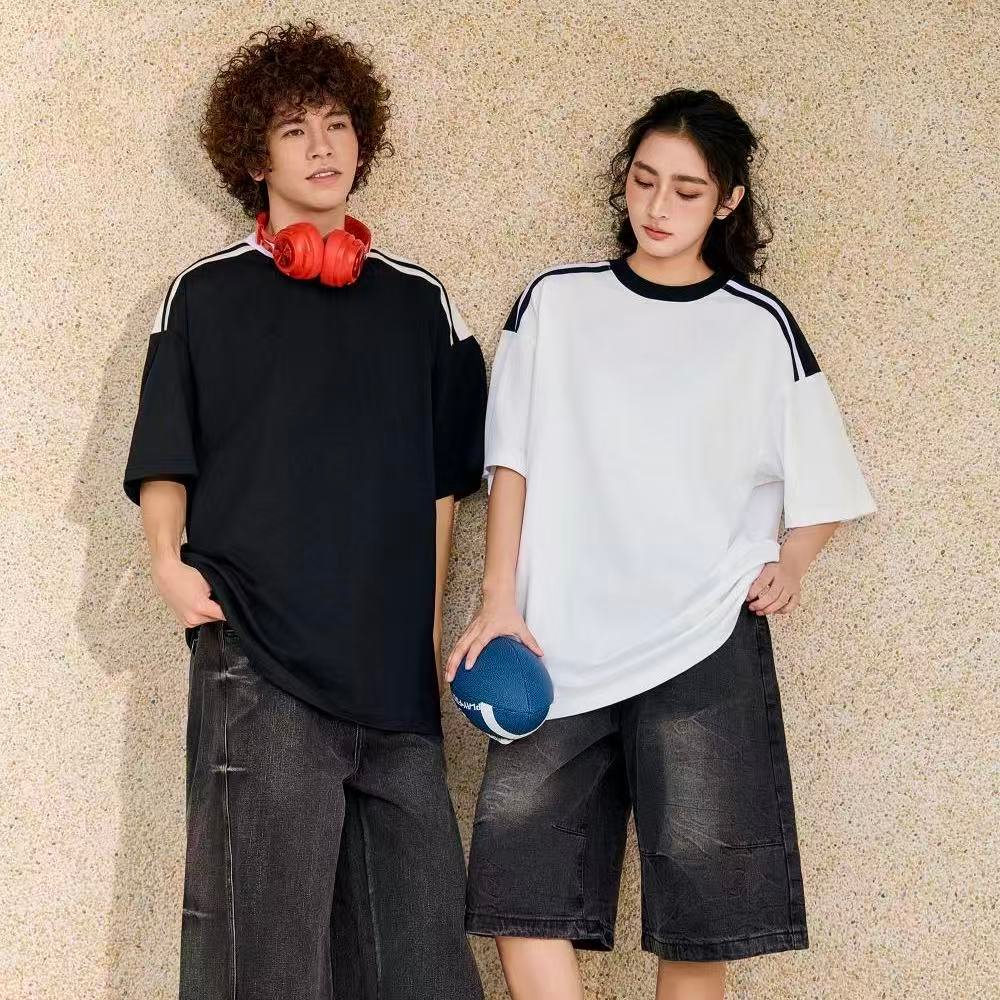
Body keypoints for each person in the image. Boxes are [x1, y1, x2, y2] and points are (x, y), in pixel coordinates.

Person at [445, 88, 876, 1000]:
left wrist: (792, 563)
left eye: (687, 190)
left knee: (701, 911)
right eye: (644, 181)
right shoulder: (557, 301)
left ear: (727, 201)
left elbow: (826, 482)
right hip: (555, 641)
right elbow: (510, 461)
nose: (658, 206)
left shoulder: (758, 326)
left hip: (702, 640)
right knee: (521, 891)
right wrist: (497, 598)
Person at [123, 21, 486, 1000]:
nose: (323, 147)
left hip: (391, 677)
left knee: (421, 959)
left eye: (337, 124)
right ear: (256, 157)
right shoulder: (203, 295)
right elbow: (166, 452)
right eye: (294, 130)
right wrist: (167, 565)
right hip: (261, 658)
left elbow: (444, 487)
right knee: (265, 958)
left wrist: (423, 634)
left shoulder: (421, 303)